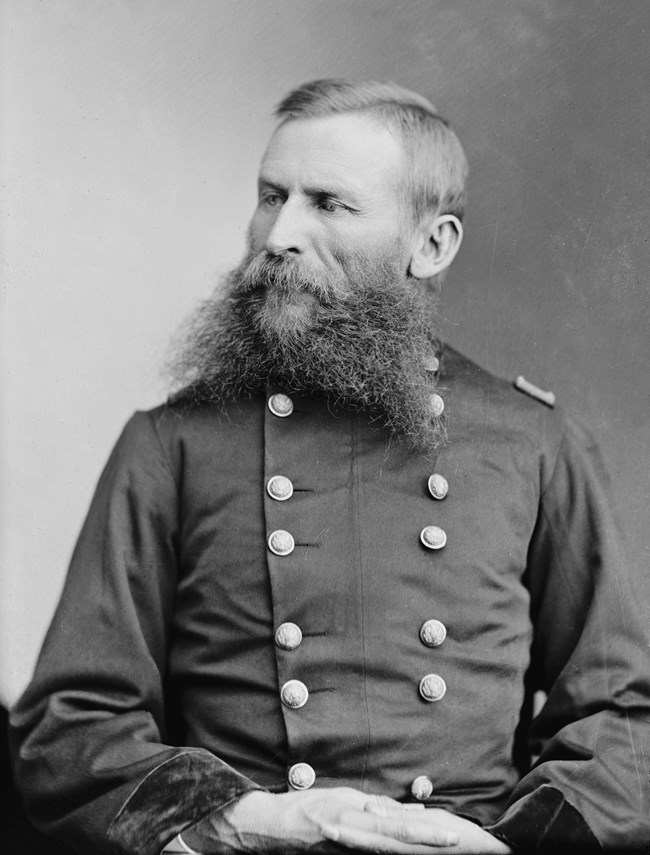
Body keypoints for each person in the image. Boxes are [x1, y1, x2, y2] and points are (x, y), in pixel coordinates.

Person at [9, 79, 650, 855]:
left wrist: (509, 846)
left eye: (328, 203)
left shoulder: (535, 443)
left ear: (432, 244)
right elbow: (72, 721)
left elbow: (622, 722)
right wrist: (247, 821)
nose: (279, 232)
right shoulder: (171, 443)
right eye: (270, 196)